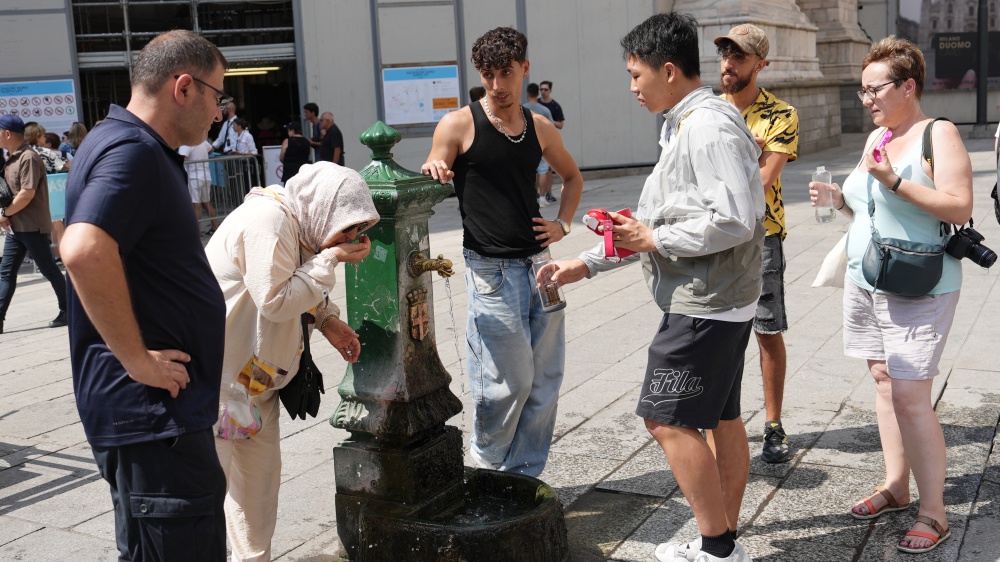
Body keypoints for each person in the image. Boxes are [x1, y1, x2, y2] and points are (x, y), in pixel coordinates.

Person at [543, 13, 764, 562]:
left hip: (706, 301)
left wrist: (653, 236)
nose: (632, 87)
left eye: (636, 74)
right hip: (721, 296)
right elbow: (653, 223)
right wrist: (589, 263)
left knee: (665, 418)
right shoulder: (682, 122)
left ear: (669, 71)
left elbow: (735, 218)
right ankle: (726, 534)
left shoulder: (706, 126)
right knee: (722, 415)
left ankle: (716, 547)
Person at [59, 29, 231, 561]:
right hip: (153, 417)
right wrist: (137, 360)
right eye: (217, 95)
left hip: (156, 417)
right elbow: (84, 249)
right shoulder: (133, 153)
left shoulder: (120, 143)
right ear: (184, 87)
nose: (220, 113)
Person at [810, 36, 971, 555]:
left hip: (918, 282)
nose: (867, 99)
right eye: (862, 91)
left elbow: (958, 208)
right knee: (883, 382)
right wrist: (839, 199)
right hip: (867, 277)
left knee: (909, 395)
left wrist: (895, 182)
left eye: (874, 89)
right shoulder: (877, 137)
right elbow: (865, 210)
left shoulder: (937, 134)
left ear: (908, 86)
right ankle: (897, 486)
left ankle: (934, 513)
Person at [421, 26, 583, 477]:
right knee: (507, 381)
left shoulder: (539, 125)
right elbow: (436, 161)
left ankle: (524, 475)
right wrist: (436, 164)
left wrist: (563, 224)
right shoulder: (459, 123)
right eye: (488, 74)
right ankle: (487, 463)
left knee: (545, 379)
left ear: (524, 69)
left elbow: (573, 177)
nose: (497, 85)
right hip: (490, 268)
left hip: (540, 265)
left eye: (506, 73)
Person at [208, 162, 376, 561]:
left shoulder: (299, 224)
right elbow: (276, 299)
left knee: (258, 490)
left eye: (358, 230)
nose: (352, 238)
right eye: (347, 226)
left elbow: (292, 278)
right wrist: (331, 258)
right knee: (207, 493)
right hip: (221, 387)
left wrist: (327, 319)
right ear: (323, 210)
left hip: (253, 386)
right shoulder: (267, 219)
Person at [716, 24, 799, 465]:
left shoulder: (780, 114)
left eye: (740, 56)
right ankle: (720, 418)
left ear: (760, 64)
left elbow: (762, 183)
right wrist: (750, 150)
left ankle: (773, 423)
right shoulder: (706, 111)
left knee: (766, 331)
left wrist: (743, 159)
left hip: (761, 236)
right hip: (712, 238)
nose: (728, 63)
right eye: (725, 54)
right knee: (718, 331)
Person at [0, 114, 68, 335]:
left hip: (31, 225)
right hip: (16, 227)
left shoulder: (28, 157)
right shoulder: (11, 157)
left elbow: (27, 194)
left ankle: (69, 310)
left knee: (49, 269)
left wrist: (4, 213)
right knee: (6, 273)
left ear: (7, 133)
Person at [523, 83, 555, 207]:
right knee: (542, 170)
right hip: (541, 143)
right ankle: (542, 197)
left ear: (527, 94)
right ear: (537, 94)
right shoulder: (545, 110)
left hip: (525, 143)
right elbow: (551, 127)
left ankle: (531, 197)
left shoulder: (521, 109)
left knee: (530, 171)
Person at [179, 136, 220, 234]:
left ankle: (196, 232)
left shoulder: (187, 142)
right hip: (205, 175)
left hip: (194, 176)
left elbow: (182, 157)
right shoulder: (201, 140)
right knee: (206, 202)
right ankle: (215, 227)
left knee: (195, 205)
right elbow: (211, 149)